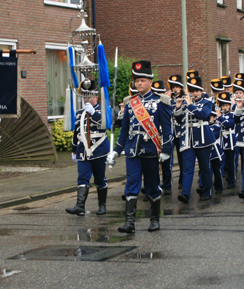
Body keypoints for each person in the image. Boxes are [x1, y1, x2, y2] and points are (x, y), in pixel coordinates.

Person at [107, 61, 173, 233]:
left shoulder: (161, 102)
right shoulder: (130, 103)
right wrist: (116, 151)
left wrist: (166, 151)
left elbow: (167, 129)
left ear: (150, 82)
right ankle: (130, 223)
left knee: (152, 185)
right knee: (131, 184)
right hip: (132, 150)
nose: (139, 84)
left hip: (151, 150)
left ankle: (154, 220)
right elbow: (124, 131)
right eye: (137, 81)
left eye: (142, 80)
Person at [66, 90, 110, 216]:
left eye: (90, 97)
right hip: (83, 151)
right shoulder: (80, 113)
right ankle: (80, 206)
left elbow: (106, 125)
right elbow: (77, 133)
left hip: (99, 150)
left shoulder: (103, 110)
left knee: (99, 178)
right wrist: (74, 150)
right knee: (82, 178)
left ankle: (102, 206)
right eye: (85, 97)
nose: (87, 100)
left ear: (96, 97)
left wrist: (93, 113)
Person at [174, 75, 215, 204]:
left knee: (204, 167)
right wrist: (178, 108)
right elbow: (179, 121)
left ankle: (206, 191)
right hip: (188, 139)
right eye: (192, 91)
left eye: (197, 91)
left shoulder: (207, 102)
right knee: (187, 168)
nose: (194, 93)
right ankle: (185, 193)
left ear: (201, 91)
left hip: (203, 139)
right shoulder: (185, 103)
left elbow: (203, 115)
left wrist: (190, 105)